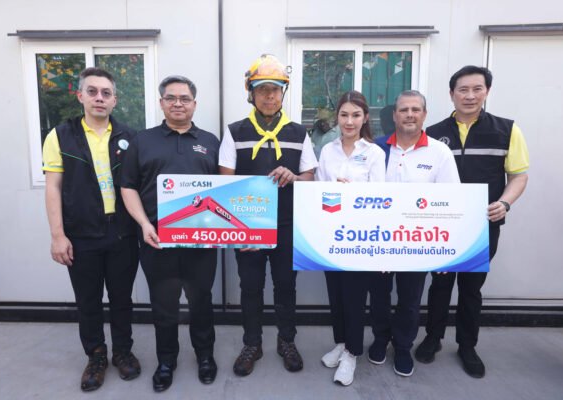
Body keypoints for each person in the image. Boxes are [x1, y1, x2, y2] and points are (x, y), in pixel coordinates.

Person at [415, 66, 529, 378]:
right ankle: (433, 338)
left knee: (471, 287)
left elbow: (518, 175)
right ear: (451, 94)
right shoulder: (433, 132)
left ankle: (467, 345)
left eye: (477, 89)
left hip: (482, 225)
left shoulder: (506, 129)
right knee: (440, 283)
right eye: (462, 90)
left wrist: (505, 203)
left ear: (486, 92)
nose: (469, 95)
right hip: (441, 226)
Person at [219, 54, 318, 376]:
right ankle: (252, 343)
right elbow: (225, 182)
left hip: (287, 226)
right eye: (262, 89)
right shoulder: (235, 131)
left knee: (286, 286)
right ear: (251, 92)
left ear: (282, 93)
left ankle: (286, 341)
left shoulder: (299, 133)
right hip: (248, 227)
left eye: (275, 89)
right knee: (250, 287)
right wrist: (242, 230)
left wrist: (295, 176)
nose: (269, 96)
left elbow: (310, 178)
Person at [42, 67, 140, 392]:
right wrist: (58, 235)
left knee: (122, 298)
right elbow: (53, 187)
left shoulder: (130, 137)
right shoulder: (60, 135)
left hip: (122, 233)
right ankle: (96, 356)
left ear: (114, 100)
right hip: (81, 234)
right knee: (88, 301)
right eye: (93, 91)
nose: (100, 98)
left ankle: (123, 352)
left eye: (106, 93)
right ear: (80, 96)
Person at [121, 75, 220, 392]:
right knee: (163, 306)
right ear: (161, 102)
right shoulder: (142, 141)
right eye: (171, 98)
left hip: (202, 242)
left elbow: (226, 190)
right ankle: (166, 361)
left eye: (185, 98)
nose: (178, 103)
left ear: (194, 104)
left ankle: (205, 356)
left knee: (201, 302)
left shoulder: (211, 141)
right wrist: (144, 224)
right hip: (157, 240)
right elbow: (128, 187)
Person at [370, 90, 460, 377]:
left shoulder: (439, 152)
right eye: (404, 110)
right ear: (394, 115)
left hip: (418, 242)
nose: (409, 114)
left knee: (410, 300)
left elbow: (451, 200)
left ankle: (403, 346)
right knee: (379, 296)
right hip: (379, 240)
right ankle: (380, 339)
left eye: (415, 109)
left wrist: (445, 253)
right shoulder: (376, 148)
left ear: (424, 114)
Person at [316, 91, 385, 386]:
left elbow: (381, 197)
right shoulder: (327, 150)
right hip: (332, 235)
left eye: (356, 115)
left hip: (360, 237)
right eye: (344, 115)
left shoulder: (374, 153)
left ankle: (353, 353)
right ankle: (342, 343)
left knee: (354, 299)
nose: (349, 121)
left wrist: (354, 192)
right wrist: (333, 189)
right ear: (337, 117)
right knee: (335, 296)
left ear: (365, 118)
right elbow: (318, 190)